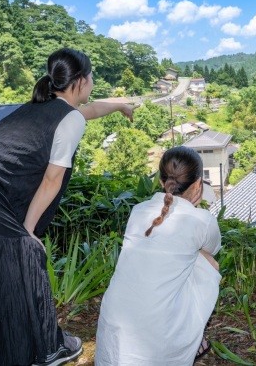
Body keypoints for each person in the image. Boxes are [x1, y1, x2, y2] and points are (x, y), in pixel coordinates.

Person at [0, 48, 137, 366]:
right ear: (80, 81)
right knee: (27, 254)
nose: (93, 83)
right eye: (91, 77)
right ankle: (46, 348)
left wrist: (119, 105)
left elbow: (87, 111)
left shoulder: (44, 106)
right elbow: (52, 180)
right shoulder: (69, 120)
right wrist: (28, 229)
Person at [95, 146, 222, 366]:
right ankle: (190, 336)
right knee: (207, 263)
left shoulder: (138, 210)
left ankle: (193, 337)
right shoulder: (201, 219)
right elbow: (211, 251)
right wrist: (194, 207)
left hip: (114, 323)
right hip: (159, 333)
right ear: (198, 184)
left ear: (161, 181)